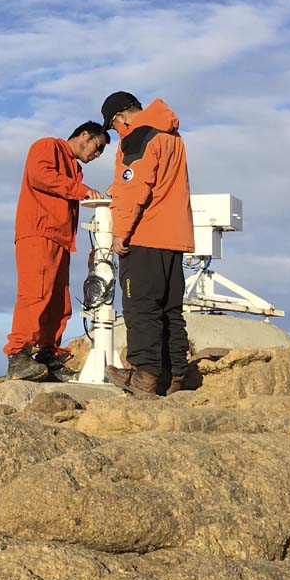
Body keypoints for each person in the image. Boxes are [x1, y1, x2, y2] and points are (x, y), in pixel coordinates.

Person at [99, 92, 194, 398]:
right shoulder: (171, 136)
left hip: (145, 235)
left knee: (140, 307)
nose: (118, 134)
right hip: (173, 236)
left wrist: (120, 232)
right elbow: (154, 180)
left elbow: (134, 187)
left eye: (114, 128)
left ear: (121, 118)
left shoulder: (137, 138)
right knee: (170, 309)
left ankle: (145, 378)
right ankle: (176, 375)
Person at [4, 122, 108, 381]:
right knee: (36, 294)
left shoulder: (74, 168)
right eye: (99, 146)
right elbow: (40, 175)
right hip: (39, 233)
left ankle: (47, 355)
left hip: (60, 239)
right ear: (85, 135)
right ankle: (19, 355)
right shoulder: (48, 145)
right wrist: (81, 191)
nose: (98, 154)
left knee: (58, 301)